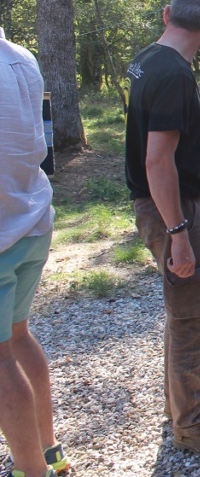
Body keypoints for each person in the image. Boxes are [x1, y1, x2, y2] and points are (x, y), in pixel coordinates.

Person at [124, 0, 200, 458]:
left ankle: (182, 398)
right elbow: (156, 161)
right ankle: (190, 426)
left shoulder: (149, 58)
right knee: (195, 315)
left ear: (169, 13)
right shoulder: (172, 73)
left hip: (174, 198)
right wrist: (178, 235)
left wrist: (199, 181)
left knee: (185, 307)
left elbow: (169, 147)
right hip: (169, 209)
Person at [0, 27, 69, 477]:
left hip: (5, 229)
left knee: (2, 353)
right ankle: (48, 453)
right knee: (18, 336)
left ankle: (31, 470)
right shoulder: (20, 55)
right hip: (29, 222)